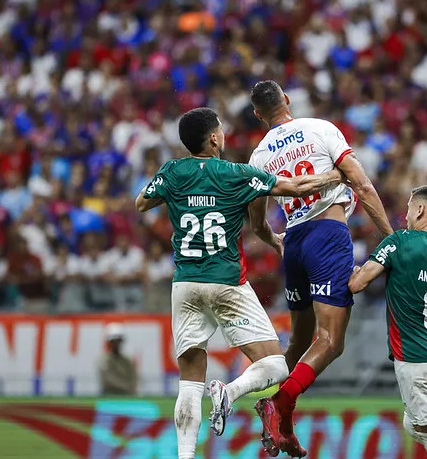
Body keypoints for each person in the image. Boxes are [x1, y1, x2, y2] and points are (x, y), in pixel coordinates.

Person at [134, 107, 346, 459]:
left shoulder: (172, 171)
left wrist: (181, 195)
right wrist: (336, 177)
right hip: (226, 282)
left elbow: (142, 202)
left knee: (189, 379)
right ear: (214, 138)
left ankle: (185, 455)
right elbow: (294, 186)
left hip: (185, 283)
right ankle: (230, 392)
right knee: (277, 366)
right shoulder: (236, 174)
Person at [247, 80, 393, 457]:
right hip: (327, 234)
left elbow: (259, 223)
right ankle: (279, 404)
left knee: (300, 339)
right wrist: (392, 239)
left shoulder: (259, 156)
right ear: (288, 101)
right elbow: (361, 185)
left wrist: (276, 242)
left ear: (258, 115)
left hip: (293, 241)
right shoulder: (320, 128)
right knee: (331, 341)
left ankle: (282, 421)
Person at [348, 185, 427, 459]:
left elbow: (357, 285)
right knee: (415, 424)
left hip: (416, 358)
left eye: (409, 207)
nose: (406, 214)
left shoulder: (399, 242)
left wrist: (358, 270)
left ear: (419, 209)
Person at [98, 323, 138, 396]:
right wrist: (127, 387)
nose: (116, 344)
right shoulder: (103, 360)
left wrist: (132, 388)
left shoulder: (127, 360)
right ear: (109, 343)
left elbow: (134, 378)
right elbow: (108, 379)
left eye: (118, 340)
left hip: (126, 396)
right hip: (109, 395)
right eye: (114, 341)